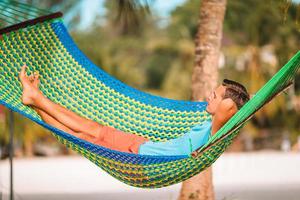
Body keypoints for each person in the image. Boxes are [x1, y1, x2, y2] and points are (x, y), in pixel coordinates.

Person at [19, 65, 250, 156]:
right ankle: (36, 101)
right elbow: (227, 104)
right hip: (140, 144)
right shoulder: (208, 126)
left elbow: (230, 105)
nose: (210, 94)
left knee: (85, 133)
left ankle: (37, 98)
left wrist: (246, 100)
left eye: (215, 94)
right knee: (87, 131)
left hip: (138, 156)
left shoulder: (217, 133)